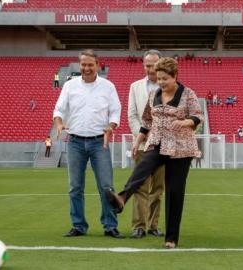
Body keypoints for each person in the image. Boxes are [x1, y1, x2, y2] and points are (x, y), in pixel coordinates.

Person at [105, 57, 205, 249]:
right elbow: (147, 121)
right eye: (159, 78)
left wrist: (185, 122)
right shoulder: (154, 94)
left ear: (175, 76)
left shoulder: (188, 94)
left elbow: (198, 116)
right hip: (157, 143)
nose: (161, 82)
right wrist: (138, 140)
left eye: (165, 78)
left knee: (174, 192)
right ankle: (122, 198)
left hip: (180, 147)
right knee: (142, 168)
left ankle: (171, 238)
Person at [53, 49, 124, 239]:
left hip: (99, 142)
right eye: (83, 64)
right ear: (79, 65)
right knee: (75, 187)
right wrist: (59, 123)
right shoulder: (70, 86)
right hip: (75, 141)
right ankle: (78, 225)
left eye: (90, 64)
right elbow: (59, 108)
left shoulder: (108, 87)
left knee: (106, 187)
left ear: (98, 65)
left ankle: (110, 226)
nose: (86, 68)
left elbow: (116, 111)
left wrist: (111, 126)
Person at [127, 50, 165, 239]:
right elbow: (132, 115)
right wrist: (141, 135)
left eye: (154, 65)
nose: (150, 68)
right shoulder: (135, 87)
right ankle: (139, 226)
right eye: (147, 65)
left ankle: (153, 225)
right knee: (140, 186)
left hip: (162, 146)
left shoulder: (168, 85)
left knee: (157, 188)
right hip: (142, 146)